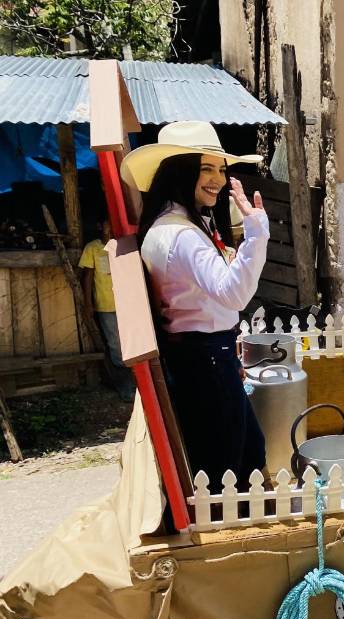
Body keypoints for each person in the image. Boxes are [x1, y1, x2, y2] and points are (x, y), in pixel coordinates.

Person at [120, 121, 269, 491]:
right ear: (180, 170)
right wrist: (257, 234)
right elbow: (233, 294)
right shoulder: (183, 235)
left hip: (202, 356)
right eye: (206, 169)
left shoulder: (171, 224)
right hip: (208, 358)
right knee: (228, 466)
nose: (217, 179)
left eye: (221, 169)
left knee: (246, 452)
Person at [78, 218, 136, 402]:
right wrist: (88, 304)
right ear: (99, 226)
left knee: (133, 344)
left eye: (113, 223)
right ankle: (125, 386)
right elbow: (87, 277)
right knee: (115, 346)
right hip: (106, 305)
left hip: (127, 304)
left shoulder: (123, 245)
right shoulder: (93, 248)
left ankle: (138, 385)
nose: (109, 228)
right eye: (106, 224)